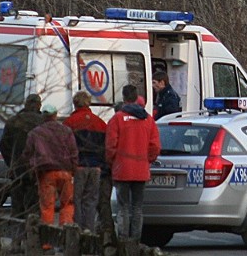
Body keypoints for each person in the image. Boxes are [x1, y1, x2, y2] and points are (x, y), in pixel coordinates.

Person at [105, 84, 160, 246]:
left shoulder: (117, 119)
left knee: (123, 207)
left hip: (122, 169)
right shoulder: (148, 120)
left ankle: (123, 240)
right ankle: (135, 240)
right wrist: (146, 160)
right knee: (137, 207)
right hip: (141, 170)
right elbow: (155, 146)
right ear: (136, 98)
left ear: (124, 98)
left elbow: (110, 146)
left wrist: (112, 162)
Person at [22, 102, 79, 247]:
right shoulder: (66, 131)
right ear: (55, 115)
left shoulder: (35, 132)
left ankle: (47, 243)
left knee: (47, 207)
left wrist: (30, 166)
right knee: (67, 205)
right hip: (66, 172)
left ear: (43, 116)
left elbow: (27, 153)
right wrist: (73, 169)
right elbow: (74, 152)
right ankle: (66, 241)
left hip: (46, 173)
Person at [0, 93, 44, 250]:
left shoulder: (13, 121)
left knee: (17, 207)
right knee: (33, 207)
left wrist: (11, 162)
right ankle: (30, 243)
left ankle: (15, 242)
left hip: (17, 169)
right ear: (39, 105)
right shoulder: (42, 123)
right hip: (35, 170)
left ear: (25, 104)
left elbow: (3, 145)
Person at [63, 91, 107, 234]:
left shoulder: (69, 122)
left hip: (78, 166)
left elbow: (65, 146)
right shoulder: (100, 123)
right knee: (91, 200)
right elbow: (105, 147)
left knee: (76, 200)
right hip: (96, 167)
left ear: (75, 104)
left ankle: (78, 231)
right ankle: (89, 230)